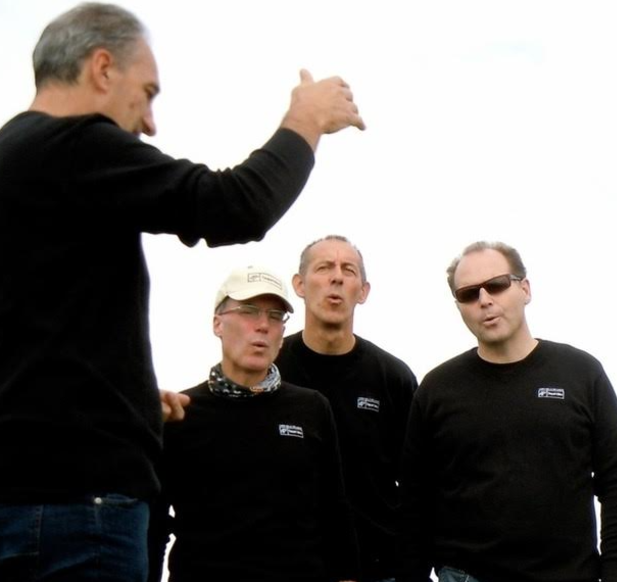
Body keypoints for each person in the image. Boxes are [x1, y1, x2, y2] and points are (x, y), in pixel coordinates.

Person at [0, 3, 363, 579]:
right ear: (102, 68)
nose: (149, 122)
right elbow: (232, 205)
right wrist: (306, 121)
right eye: (147, 93)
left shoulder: (14, 160)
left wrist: (123, 402)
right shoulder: (74, 146)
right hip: (81, 508)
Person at [398, 241, 617, 582]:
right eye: (468, 294)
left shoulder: (581, 373)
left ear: (525, 289)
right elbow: (414, 499)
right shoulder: (437, 389)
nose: (484, 300)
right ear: (459, 306)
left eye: (496, 285)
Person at [149, 265, 359, 582]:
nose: (262, 325)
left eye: (275, 316)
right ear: (217, 323)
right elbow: (155, 522)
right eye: (248, 311)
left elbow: (335, 511)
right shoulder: (181, 411)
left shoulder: (311, 407)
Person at [276, 235, 419, 582]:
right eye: (324, 268)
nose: (336, 277)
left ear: (363, 291)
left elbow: (420, 484)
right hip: (286, 565)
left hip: (377, 567)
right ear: (299, 285)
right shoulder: (270, 371)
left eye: (348, 270)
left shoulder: (392, 378)